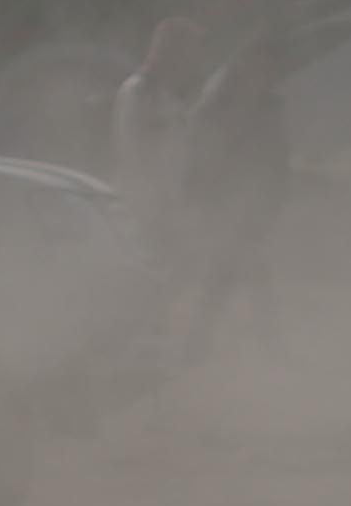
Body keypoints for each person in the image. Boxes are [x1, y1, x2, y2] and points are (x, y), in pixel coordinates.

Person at [180, 28, 291, 356]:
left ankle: (197, 341)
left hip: (249, 202)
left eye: (275, 70)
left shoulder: (269, 103)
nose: (272, 76)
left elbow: (277, 155)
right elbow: (201, 156)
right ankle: (262, 341)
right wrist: (203, 200)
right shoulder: (217, 102)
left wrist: (276, 196)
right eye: (268, 67)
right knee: (231, 271)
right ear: (251, 63)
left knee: (228, 273)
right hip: (222, 201)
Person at [109, 18, 206, 258]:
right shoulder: (138, 92)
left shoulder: (179, 97)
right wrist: (155, 208)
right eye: (189, 52)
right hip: (143, 211)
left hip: (173, 210)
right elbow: (131, 150)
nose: (194, 61)